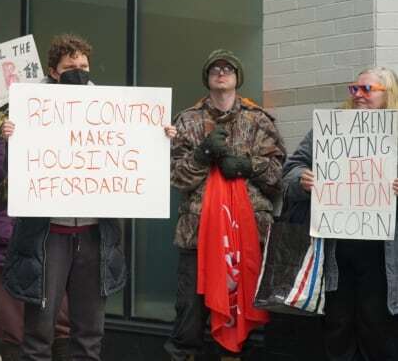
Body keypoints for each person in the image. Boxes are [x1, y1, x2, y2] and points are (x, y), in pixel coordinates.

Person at [1, 34, 176, 361]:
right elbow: (1, 176)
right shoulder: (29, 109)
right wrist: (8, 140)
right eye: (70, 67)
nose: (79, 72)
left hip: (97, 236)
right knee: (39, 333)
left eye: (84, 66)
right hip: (47, 235)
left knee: (90, 334)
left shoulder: (112, 110)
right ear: (54, 71)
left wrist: (159, 138)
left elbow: (142, 164)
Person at [165, 49, 286, 360]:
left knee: (239, 310)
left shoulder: (259, 120)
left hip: (246, 236)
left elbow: (277, 176)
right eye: (215, 69)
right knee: (189, 316)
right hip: (198, 234)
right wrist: (202, 155)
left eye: (228, 68)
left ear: (237, 78)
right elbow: (175, 177)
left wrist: (247, 165)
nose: (221, 72)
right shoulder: (187, 121)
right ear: (207, 78)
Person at [283, 66, 398, 360]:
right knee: (338, 324)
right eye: (354, 89)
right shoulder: (331, 128)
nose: (358, 95)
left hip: (384, 251)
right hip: (337, 247)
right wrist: (302, 179)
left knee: (379, 327)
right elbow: (290, 169)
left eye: (367, 89)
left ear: (388, 94)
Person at [0, 99, 71, 361]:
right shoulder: (5, 130)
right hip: (7, 235)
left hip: (56, 234)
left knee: (61, 319)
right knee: (13, 325)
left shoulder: (68, 121)